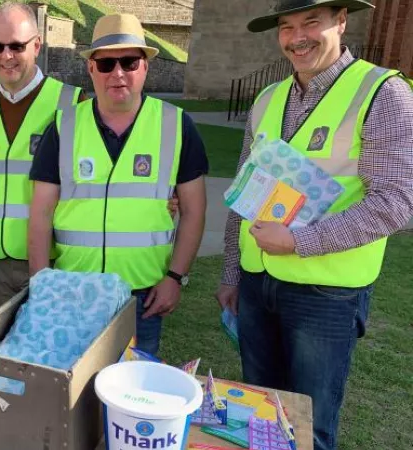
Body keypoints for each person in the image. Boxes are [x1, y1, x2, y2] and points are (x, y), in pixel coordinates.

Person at [217, 2, 413, 449]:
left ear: (341, 21)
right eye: (286, 27)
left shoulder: (383, 93)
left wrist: (299, 242)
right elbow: (243, 193)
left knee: (309, 428)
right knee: (262, 418)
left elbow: (396, 201)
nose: (297, 37)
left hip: (326, 296)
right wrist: (232, 271)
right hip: (256, 283)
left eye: (311, 23)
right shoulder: (267, 99)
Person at [28, 13, 209, 355]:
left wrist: (175, 277)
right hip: (72, 291)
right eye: (107, 63)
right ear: (91, 68)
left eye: (129, 61)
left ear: (145, 67)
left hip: (141, 295)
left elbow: (195, 211)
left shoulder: (177, 125)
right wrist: (42, 285)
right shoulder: (64, 126)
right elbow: (40, 213)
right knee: (72, 394)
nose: (118, 73)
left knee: (131, 397)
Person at [0, 1, 83, 312]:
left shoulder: (72, 102)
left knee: (50, 350)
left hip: (52, 258)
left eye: (17, 45)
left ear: (37, 45)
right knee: (2, 351)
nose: (6, 56)